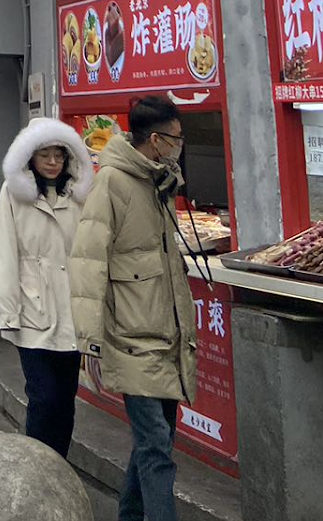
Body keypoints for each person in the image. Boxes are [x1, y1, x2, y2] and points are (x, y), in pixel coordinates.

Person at [71, 96, 197, 521]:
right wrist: (90, 344)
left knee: (154, 444)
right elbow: (87, 265)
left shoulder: (156, 180)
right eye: (177, 139)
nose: (181, 146)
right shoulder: (112, 184)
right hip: (130, 339)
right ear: (157, 140)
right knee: (157, 448)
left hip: (165, 335)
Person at [0, 117, 94, 458]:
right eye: (45, 155)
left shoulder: (77, 195)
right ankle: (35, 467)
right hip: (32, 310)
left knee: (65, 400)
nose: (52, 162)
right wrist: (8, 311)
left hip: (72, 313)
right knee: (43, 396)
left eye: (59, 156)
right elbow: (4, 253)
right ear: (30, 157)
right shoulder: (14, 193)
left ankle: (58, 468)